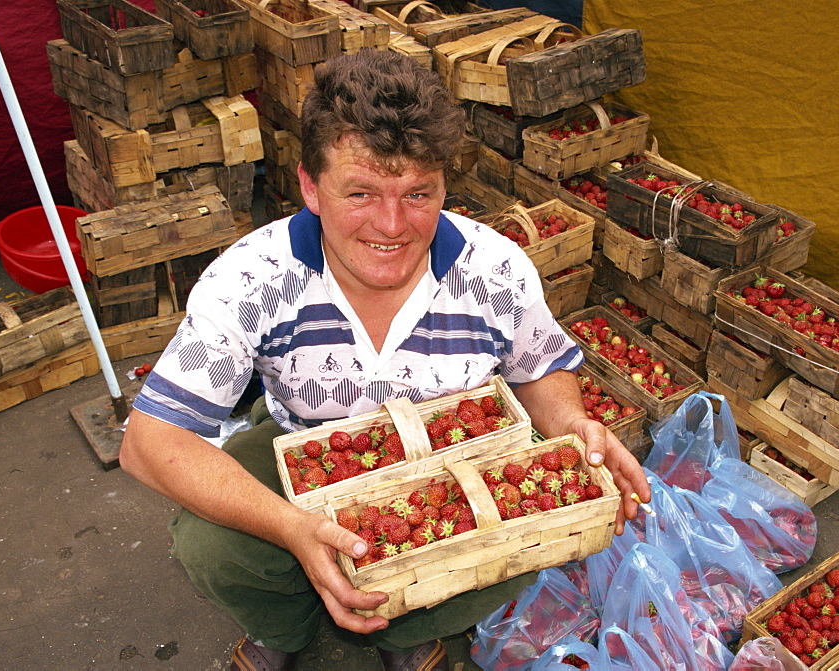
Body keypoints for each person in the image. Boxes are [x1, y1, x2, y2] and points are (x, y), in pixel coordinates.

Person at [119, 48, 650, 671]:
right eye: (362, 192)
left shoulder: (495, 269)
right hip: (311, 453)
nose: (392, 224)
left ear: (445, 184)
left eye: (418, 192)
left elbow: (539, 368)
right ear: (311, 186)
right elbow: (147, 443)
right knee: (212, 543)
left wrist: (570, 427)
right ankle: (286, 628)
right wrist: (293, 527)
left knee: (543, 524)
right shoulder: (252, 279)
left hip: (453, 465)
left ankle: (407, 632)